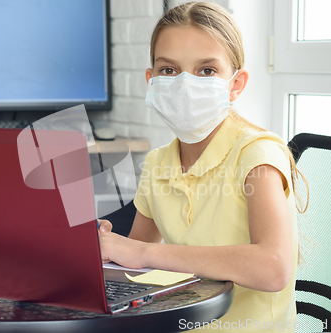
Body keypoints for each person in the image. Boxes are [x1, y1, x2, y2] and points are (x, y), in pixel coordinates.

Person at [99, 1, 307, 331]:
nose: (185, 84)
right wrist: (104, 250)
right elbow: (135, 261)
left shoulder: (258, 155)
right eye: (169, 70)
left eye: (206, 70)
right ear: (151, 81)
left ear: (236, 84)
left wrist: (141, 253)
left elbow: (274, 267)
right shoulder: (157, 164)